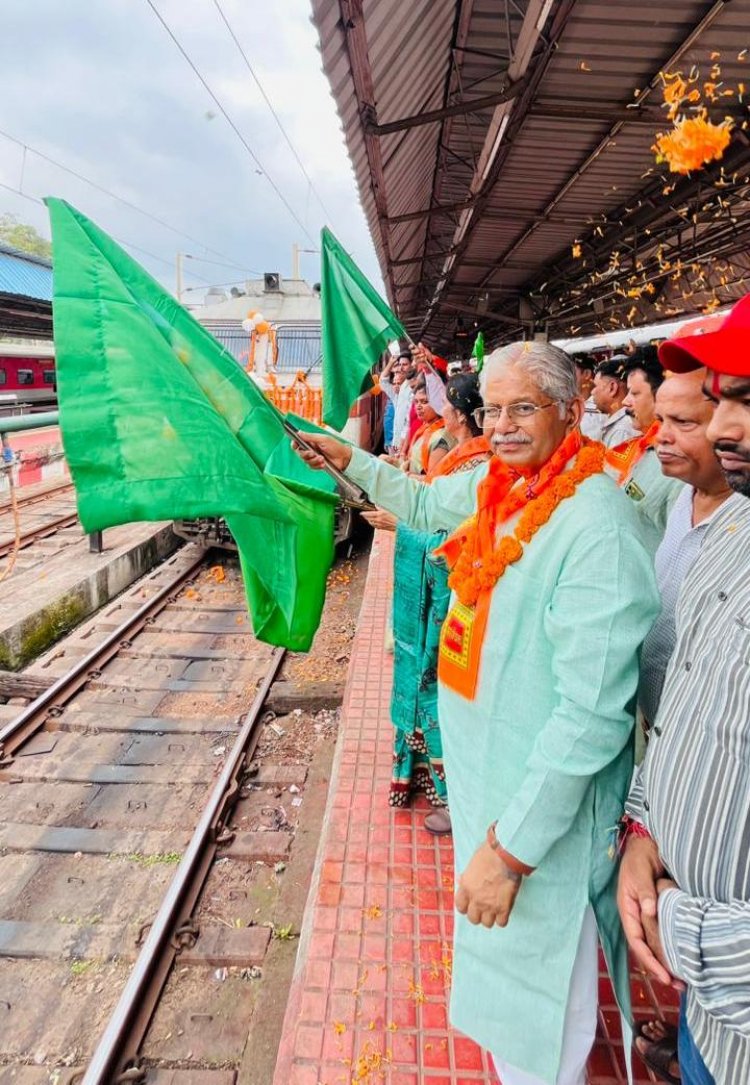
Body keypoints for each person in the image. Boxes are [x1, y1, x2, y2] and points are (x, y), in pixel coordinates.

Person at [295, 341, 659, 1085]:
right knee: (506, 1010)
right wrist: (345, 458)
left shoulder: (596, 529)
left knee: (538, 1026)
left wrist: (510, 851)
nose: (500, 426)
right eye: (492, 409)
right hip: (492, 798)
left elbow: (592, 718)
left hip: (538, 835)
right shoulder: (505, 485)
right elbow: (427, 504)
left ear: (569, 409)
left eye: (521, 408)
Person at [617, 294, 750, 1085]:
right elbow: (686, 720)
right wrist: (645, 830)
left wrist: (676, 924)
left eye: (746, 401)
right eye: (729, 394)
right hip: (709, 1019)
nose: (728, 426)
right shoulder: (733, 538)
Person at [367, 374, 490, 833]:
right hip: (448, 586)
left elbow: (442, 529)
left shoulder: (470, 464)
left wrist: (397, 526)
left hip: (444, 589)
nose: (421, 405)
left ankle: (450, 792)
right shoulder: (466, 459)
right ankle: (435, 782)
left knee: (434, 682)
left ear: (457, 414)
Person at [607, 346, 682, 552]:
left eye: (634, 393)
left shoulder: (679, 467)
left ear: (662, 395)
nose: (625, 401)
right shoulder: (643, 448)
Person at [403, 379, 454, 475]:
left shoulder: (441, 436)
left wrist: (406, 475)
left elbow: (432, 480)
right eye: (416, 402)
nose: (418, 406)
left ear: (437, 403)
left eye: (424, 402)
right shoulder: (425, 428)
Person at [589, 356, 639, 448]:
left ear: (612, 388)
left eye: (595, 386)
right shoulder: (623, 425)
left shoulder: (622, 431)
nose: (592, 392)